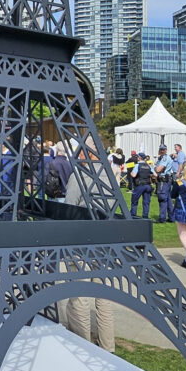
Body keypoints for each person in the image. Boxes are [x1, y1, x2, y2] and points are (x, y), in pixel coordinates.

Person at [64, 140, 115, 353]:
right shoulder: (110, 175)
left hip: (81, 241)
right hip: (105, 241)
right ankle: (107, 346)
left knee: (80, 294)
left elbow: (68, 208)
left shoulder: (79, 176)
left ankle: (82, 344)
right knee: (104, 296)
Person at [154, 144, 174, 223]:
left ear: (166, 150)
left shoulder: (165, 158)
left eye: (163, 149)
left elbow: (158, 169)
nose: (161, 151)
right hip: (166, 180)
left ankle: (162, 218)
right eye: (161, 149)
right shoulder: (162, 158)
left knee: (162, 199)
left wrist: (154, 168)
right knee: (168, 199)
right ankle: (171, 217)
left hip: (163, 181)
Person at [130, 153, 153, 219]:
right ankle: (145, 216)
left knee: (134, 201)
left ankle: (133, 214)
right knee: (146, 202)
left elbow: (134, 175)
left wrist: (131, 172)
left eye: (137, 157)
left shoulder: (137, 165)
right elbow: (155, 174)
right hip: (148, 185)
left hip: (139, 185)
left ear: (139, 158)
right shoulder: (148, 166)